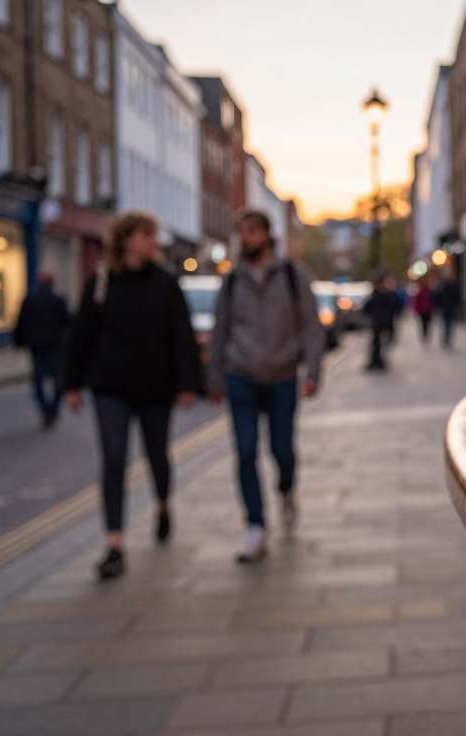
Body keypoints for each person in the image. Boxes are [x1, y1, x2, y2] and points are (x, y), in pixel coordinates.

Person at [62, 211, 201, 581]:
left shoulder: (165, 284)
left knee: (157, 455)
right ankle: (115, 543)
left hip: (156, 387)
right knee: (113, 460)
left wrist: (189, 384)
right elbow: (81, 336)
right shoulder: (102, 282)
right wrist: (71, 384)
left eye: (154, 235)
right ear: (126, 240)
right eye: (146, 235)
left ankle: (162, 504)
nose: (153, 241)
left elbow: (182, 337)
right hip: (110, 387)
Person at [208, 209, 323, 564]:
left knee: (281, 450)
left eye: (252, 231)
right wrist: (214, 377)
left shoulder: (292, 275)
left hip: (282, 376)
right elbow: (220, 329)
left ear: (267, 234)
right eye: (242, 232)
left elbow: (311, 326)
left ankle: (286, 489)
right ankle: (255, 525)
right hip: (240, 374)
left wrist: (314, 371)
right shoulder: (231, 281)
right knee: (244, 451)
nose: (246, 238)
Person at [14, 270, 71, 429]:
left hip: (36, 346)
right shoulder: (58, 300)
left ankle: (46, 409)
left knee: (38, 379)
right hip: (55, 346)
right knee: (57, 379)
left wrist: (18, 341)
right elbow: (67, 323)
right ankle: (53, 409)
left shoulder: (30, 299)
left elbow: (21, 322)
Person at [361, 275, 403, 371]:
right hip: (377, 323)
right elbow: (367, 307)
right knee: (376, 344)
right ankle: (376, 361)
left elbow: (397, 305)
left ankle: (379, 361)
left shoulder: (390, 295)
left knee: (384, 343)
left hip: (385, 323)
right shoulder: (376, 295)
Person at [435, 269, 462, 350]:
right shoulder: (444, 285)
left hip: (452, 308)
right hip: (445, 308)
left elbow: (458, 297)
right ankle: (446, 337)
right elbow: (438, 296)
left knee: (450, 323)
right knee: (446, 323)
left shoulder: (455, 285)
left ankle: (447, 337)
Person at [412, 276, 435, 344]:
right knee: (424, 323)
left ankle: (425, 333)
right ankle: (425, 333)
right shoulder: (423, 292)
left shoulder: (428, 292)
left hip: (426, 310)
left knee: (425, 323)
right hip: (423, 310)